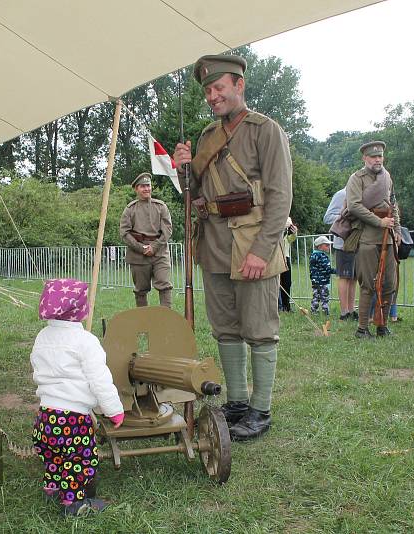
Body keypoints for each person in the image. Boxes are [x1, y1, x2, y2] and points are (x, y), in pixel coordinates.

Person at [173, 54, 292, 441]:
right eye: (208, 90)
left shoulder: (265, 130)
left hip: (252, 244)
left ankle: (260, 411)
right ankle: (238, 402)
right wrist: (183, 168)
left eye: (218, 88)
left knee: (259, 329)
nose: (212, 96)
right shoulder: (208, 136)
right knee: (225, 327)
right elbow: (195, 195)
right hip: (215, 244)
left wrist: (262, 249)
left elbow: (279, 196)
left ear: (239, 85)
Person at [30, 278, 124, 516]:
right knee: (79, 461)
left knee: (52, 455)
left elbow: (37, 369)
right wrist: (113, 409)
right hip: (73, 420)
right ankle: (74, 503)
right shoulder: (86, 341)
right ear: (82, 309)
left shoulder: (42, 336)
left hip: (45, 416)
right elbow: (100, 380)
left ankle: (52, 486)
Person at [345, 141, 399, 339]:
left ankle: (382, 325)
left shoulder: (387, 177)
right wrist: (379, 222)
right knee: (368, 284)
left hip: (388, 238)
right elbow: (354, 206)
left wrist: (397, 229)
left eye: (380, 156)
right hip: (367, 237)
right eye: (373, 156)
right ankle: (362, 328)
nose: (378, 159)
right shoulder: (356, 179)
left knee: (389, 284)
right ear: (365, 158)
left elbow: (393, 204)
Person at [119, 173, 173, 307]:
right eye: (142, 186)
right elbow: (124, 233)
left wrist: (154, 247)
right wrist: (141, 248)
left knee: (165, 286)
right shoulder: (130, 209)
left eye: (148, 185)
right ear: (136, 189)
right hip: (138, 255)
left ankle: (166, 320)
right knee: (141, 290)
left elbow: (167, 230)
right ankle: (143, 323)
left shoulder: (161, 207)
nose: (146, 189)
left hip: (160, 253)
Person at [325, 188, 358, 320]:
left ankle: (351, 309)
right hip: (343, 244)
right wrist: (345, 216)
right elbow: (327, 217)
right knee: (344, 276)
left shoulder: (358, 195)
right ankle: (344, 312)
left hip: (356, 242)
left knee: (354, 277)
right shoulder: (341, 194)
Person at [310, 236, 335, 315]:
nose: (329, 247)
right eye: (326, 245)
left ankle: (314, 311)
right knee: (324, 297)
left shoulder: (313, 255)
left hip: (315, 281)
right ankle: (325, 312)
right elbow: (327, 269)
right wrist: (337, 271)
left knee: (316, 297)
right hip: (323, 281)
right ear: (320, 246)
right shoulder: (322, 256)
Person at [279, 217, 297, 312]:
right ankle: (279, 306)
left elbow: (290, 239)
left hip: (286, 256)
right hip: (276, 257)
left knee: (287, 282)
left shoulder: (288, 219)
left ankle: (286, 306)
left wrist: (294, 233)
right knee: (277, 283)